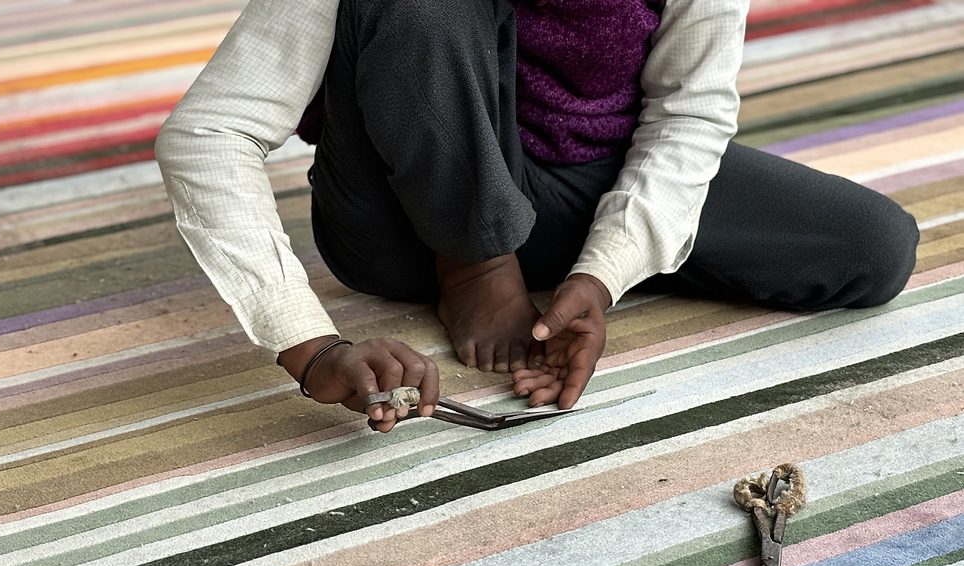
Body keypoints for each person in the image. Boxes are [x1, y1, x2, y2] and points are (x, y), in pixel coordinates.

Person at [155, 0, 919, 433]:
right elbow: (210, 131)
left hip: (573, 177)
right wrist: (309, 343)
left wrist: (606, 271)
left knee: (870, 245)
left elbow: (688, 110)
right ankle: (478, 260)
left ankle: (532, 261)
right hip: (400, 214)